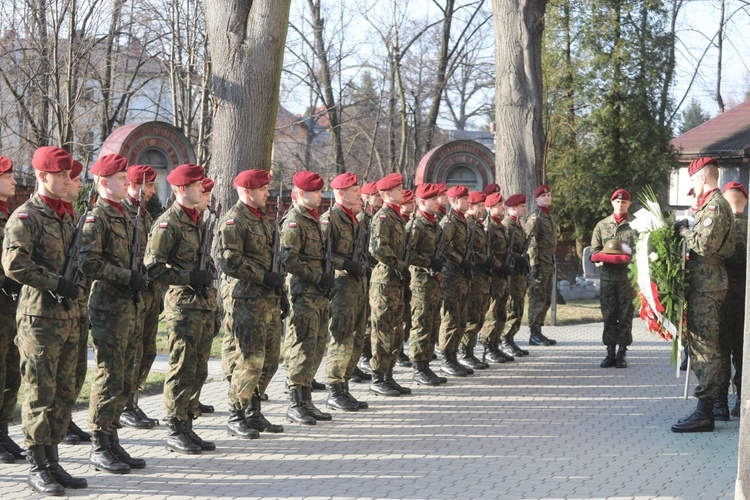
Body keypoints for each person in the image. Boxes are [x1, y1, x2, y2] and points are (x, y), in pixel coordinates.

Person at [3, 146, 87, 495]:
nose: (68, 180)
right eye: (62, 175)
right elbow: (13, 265)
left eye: (69, 174)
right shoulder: (26, 217)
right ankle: (37, 467)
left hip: (68, 316)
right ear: (42, 176)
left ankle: (53, 461)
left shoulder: (66, 217)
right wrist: (56, 282)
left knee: (65, 392)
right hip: (39, 318)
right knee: (40, 393)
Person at [79, 154, 148, 474]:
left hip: (130, 306)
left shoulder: (125, 215)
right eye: (121, 179)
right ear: (105, 183)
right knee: (109, 376)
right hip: (108, 306)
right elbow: (88, 264)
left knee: (124, 376)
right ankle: (98, 444)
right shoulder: (99, 218)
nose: (127, 183)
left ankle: (112, 437)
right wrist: (125, 276)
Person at [145, 163, 216, 453]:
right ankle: (175, 427)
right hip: (183, 307)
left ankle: (187, 424)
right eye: (197, 185)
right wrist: (188, 278)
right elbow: (152, 267)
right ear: (180, 189)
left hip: (203, 305)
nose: (202, 189)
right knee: (182, 367)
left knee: (198, 369)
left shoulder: (198, 220)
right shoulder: (168, 223)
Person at [217, 169, 285, 438]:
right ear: (247, 191)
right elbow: (229, 262)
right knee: (249, 360)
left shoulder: (261, 219)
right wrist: (263, 276)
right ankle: (236, 413)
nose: (267, 193)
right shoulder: (234, 222)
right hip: (246, 299)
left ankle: (254, 411)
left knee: (269, 360)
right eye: (262, 189)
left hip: (267, 299)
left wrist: (281, 292)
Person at [672, 156, 735, 433]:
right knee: (712, 346)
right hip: (708, 283)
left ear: (702, 178)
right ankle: (716, 404)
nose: (692, 186)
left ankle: (704, 412)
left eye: (693, 180)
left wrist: (684, 229)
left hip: (707, 284)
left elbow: (703, 246)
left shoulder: (715, 207)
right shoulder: (713, 205)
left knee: (704, 348)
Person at [280, 171, 335, 424]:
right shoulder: (294, 221)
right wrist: (316, 276)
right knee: (301, 345)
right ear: (301, 194)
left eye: (320, 191)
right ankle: (295, 402)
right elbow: (289, 259)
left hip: (318, 293)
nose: (320, 196)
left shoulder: (314, 220)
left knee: (315, 346)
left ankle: (306, 399)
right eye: (314, 192)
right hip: (303, 291)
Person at [320, 173, 369, 411]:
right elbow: (322, 254)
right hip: (341, 287)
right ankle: (334, 388)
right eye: (354, 189)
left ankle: (345, 385)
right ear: (340, 193)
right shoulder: (330, 220)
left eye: (358, 187)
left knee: (357, 338)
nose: (359, 192)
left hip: (357, 287)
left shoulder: (355, 219)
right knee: (341, 338)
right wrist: (345, 264)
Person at [119, 165, 161, 430]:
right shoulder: (123, 212)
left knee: (147, 351)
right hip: (130, 294)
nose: (152, 191)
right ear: (133, 186)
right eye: (148, 186)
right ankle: (125, 405)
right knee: (130, 353)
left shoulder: (144, 214)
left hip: (149, 292)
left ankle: (132, 400)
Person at [368, 173, 412, 396]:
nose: (402, 191)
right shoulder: (383, 217)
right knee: (383, 330)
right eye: (397, 189)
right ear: (386, 194)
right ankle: (378, 377)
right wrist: (400, 266)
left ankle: (388, 375)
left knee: (396, 330)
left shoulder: (397, 218)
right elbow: (377, 248)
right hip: (385, 280)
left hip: (396, 280)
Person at [60, 159, 94, 447]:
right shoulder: (28, 217)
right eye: (74, 178)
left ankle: (64, 421)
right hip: (43, 312)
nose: (80, 184)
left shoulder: (71, 218)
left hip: (75, 307)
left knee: (74, 372)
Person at [590, 189, 637, 368]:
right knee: (609, 315)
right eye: (617, 202)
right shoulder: (602, 225)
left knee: (625, 316)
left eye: (624, 202)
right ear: (612, 203)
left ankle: (622, 353)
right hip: (608, 278)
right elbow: (594, 250)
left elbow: (642, 249)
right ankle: (609, 352)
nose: (620, 204)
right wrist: (602, 258)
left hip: (627, 278)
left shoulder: (635, 225)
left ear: (629, 204)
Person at [407, 183, 446, 386]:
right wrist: (429, 262)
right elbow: (409, 254)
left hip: (434, 281)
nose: (437, 202)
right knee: (421, 324)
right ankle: (418, 366)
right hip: (421, 281)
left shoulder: (435, 223)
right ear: (422, 202)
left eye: (437, 198)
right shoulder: (417, 225)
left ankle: (427, 363)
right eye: (432, 199)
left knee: (432, 324)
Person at [716, 181, 747, 419]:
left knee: (721, 349)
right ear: (745, 201)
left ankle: (720, 403)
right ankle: (742, 402)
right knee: (743, 350)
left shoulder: (721, 228)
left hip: (722, 296)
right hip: (746, 299)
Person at [0, 155, 24, 464]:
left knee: (10, 376)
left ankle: (3, 433)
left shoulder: (10, 217)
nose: (14, 181)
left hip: (11, 312)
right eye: (7, 176)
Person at [437, 185, 473, 377]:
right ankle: (446, 357)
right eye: (464, 198)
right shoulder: (449, 222)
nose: (468, 201)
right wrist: (460, 261)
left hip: (462, 275)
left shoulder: (463, 221)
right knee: (451, 318)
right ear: (453, 201)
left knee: (460, 318)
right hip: (451, 275)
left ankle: (454, 355)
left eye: (468, 198)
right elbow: (444, 247)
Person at [480, 192, 514, 363]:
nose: (502, 207)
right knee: (492, 312)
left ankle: (495, 344)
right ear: (490, 207)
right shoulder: (488, 227)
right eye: (499, 204)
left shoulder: (501, 226)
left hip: (502, 275)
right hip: (493, 274)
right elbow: (487, 253)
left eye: (502, 204)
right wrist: (499, 266)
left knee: (501, 311)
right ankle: (488, 347)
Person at [459, 191, 491, 370]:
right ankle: (466, 352)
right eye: (480, 206)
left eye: (484, 205)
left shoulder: (477, 225)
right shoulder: (469, 224)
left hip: (481, 276)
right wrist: (484, 259)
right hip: (473, 275)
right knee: (471, 315)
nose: (483, 209)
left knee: (478, 315)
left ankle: (470, 350)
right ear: (471, 206)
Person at [354, 181, 382, 380]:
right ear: (366, 197)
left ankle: (361, 358)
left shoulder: (372, 217)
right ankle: (361, 358)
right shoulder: (361, 218)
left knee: (367, 319)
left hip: (369, 274)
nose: (379, 199)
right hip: (360, 274)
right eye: (375, 195)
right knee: (359, 323)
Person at [525, 185, 558, 346]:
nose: (547, 197)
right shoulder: (535, 217)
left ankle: (539, 330)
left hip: (548, 262)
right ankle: (534, 333)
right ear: (536, 198)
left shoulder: (548, 216)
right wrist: (533, 264)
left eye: (549, 195)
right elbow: (531, 241)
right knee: (537, 297)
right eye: (543, 195)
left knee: (545, 298)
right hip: (539, 263)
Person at [500, 194, 530, 358]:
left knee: (517, 306)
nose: (524, 208)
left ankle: (510, 338)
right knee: (511, 306)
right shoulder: (507, 225)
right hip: (511, 272)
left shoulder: (518, 225)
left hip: (519, 273)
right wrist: (516, 258)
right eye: (522, 206)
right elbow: (504, 250)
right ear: (512, 208)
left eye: (524, 206)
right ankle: (505, 339)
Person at [397, 188, 415, 368]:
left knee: (406, 319)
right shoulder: (402, 223)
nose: (412, 205)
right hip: (394, 276)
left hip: (406, 277)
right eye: (409, 202)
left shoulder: (407, 222)